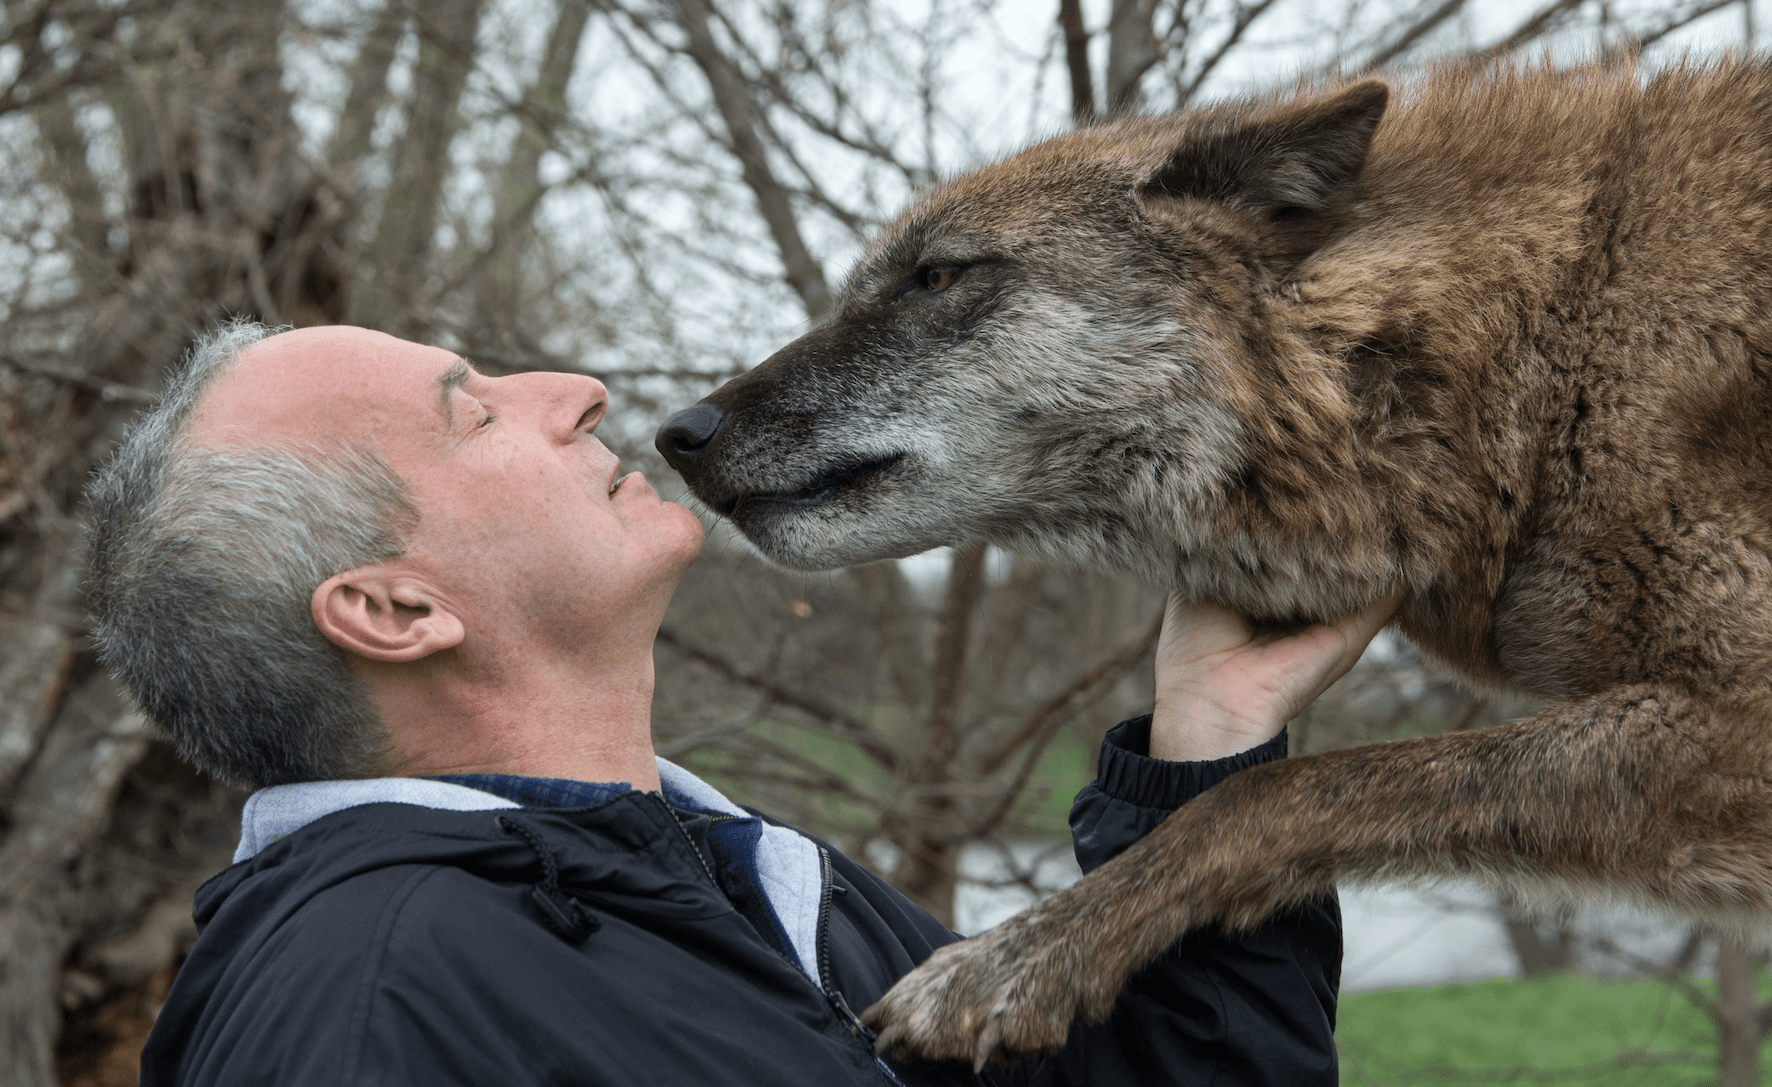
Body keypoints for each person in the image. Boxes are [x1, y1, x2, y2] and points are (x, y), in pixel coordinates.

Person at [85, 321, 1401, 1087]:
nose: (576, 391)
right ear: (394, 613)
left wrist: (1210, 749)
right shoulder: (373, 1012)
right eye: (472, 414)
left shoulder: (746, 883)